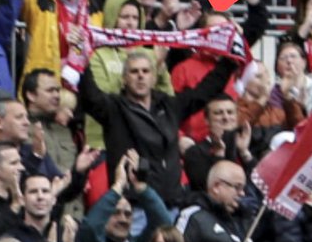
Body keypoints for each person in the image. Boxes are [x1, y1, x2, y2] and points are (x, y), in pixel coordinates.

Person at [80, 48, 239, 203]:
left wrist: (230, 60)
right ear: (124, 79)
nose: (140, 76)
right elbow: (89, 96)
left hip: (172, 203)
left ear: (154, 78)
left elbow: (205, 91)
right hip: (132, 205)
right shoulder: (113, 109)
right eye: (134, 72)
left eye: (145, 71)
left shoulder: (169, 105)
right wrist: (81, 56)